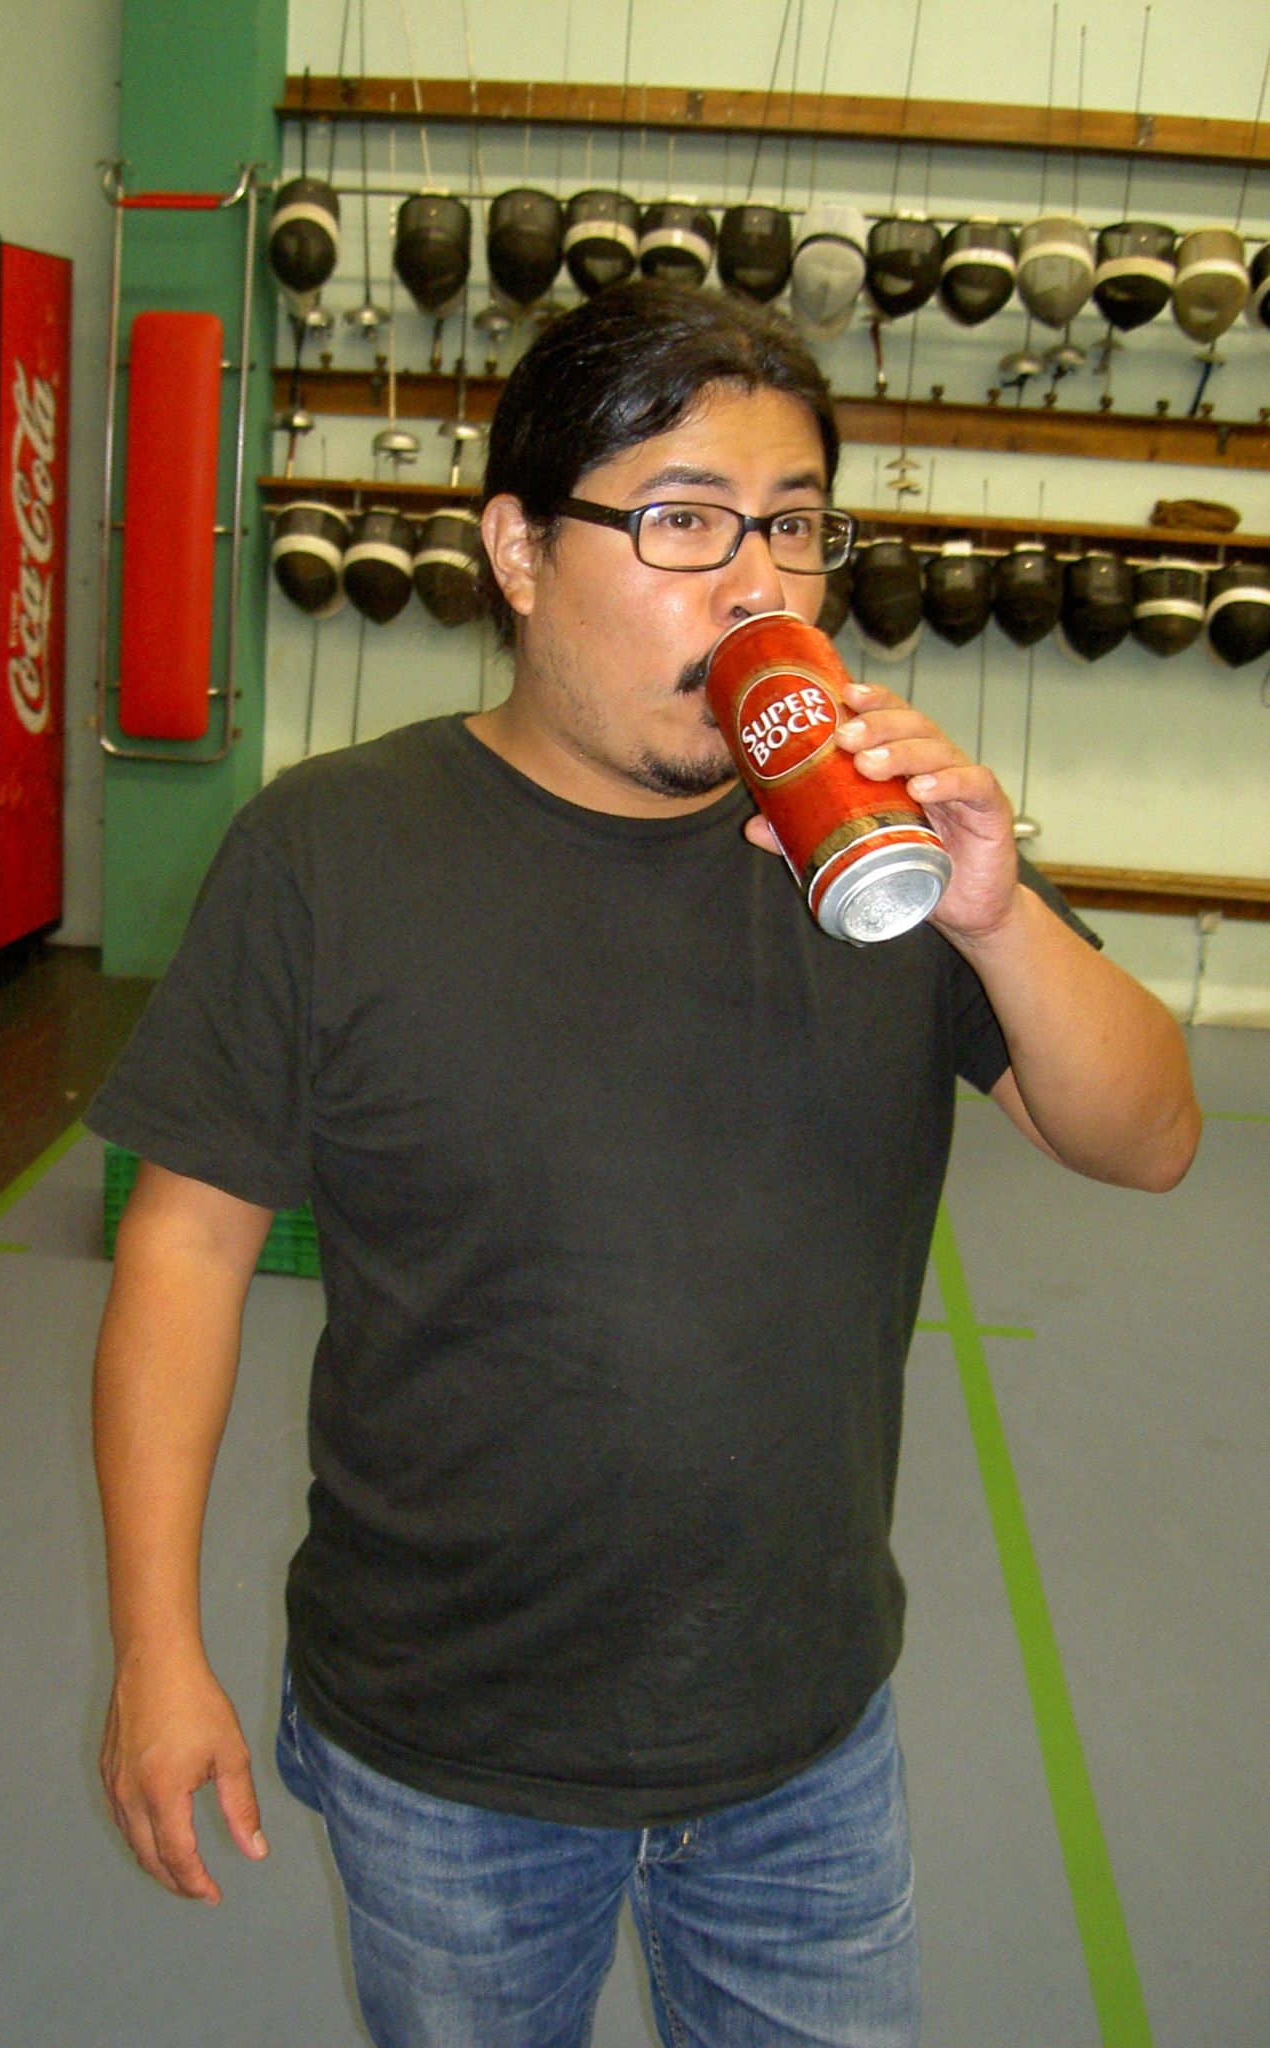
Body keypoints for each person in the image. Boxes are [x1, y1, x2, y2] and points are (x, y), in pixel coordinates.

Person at [88, 281, 1200, 2048]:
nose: (757, 588)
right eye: (682, 522)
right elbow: (185, 1248)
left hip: (799, 1735)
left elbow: (1149, 1142)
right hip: (444, 1744)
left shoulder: (875, 841)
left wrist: (994, 921)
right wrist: (156, 1651)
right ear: (518, 552)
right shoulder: (329, 853)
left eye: (793, 527)